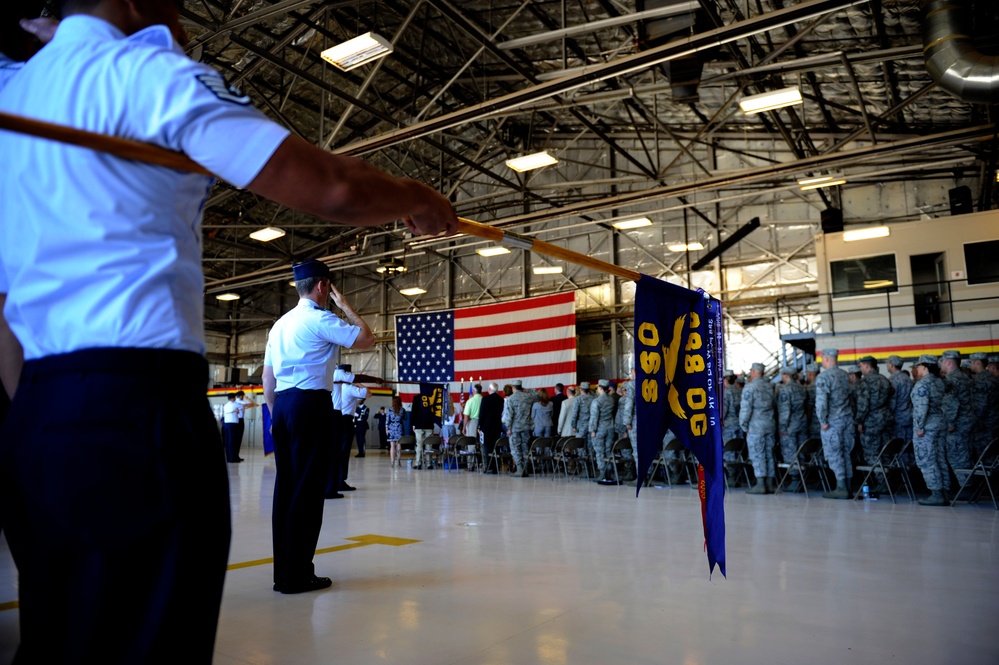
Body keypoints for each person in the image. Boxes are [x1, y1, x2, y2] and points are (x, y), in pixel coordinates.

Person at [0, 0, 457, 655]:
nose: (181, 21)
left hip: (35, 410)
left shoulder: (16, 93)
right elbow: (327, 185)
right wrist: (412, 195)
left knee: (59, 633)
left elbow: (2, 303)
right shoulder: (147, 70)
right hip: (135, 405)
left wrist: (49, 413)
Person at [263, 260, 374, 594]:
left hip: (282, 407)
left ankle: (284, 572)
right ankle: (299, 575)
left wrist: (276, 415)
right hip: (310, 406)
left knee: (286, 491)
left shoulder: (279, 325)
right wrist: (347, 307)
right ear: (324, 286)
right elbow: (367, 339)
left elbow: (268, 378)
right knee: (308, 492)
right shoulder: (320, 318)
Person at [814, 348, 855, 499]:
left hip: (833, 422)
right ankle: (848, 486)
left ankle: (841, 488)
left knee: (835, 454)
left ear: (826, 359)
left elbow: (821, 402)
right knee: (845, 453)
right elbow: (851, 398)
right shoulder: (845, 375)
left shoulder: (823, 377)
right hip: (847, 420)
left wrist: (822, 421)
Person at [910, 355, 949, 506]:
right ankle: (944, 491)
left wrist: (919, 427)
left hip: (927, 427)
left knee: (927, 458)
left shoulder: (922, 385)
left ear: (925, 367)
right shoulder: (940, 383)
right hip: (940, 423)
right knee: (940, 458)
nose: (917, 369)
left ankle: (936, 493)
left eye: (919, 366)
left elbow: (921, 408)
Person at [329, 363, 371, 494]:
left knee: (335, 452)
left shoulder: (332, 384)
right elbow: (369, 393)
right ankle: (340, 480)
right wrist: (358, 382)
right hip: (345, 420)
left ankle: (334, 481)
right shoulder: (349, 388)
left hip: (334, 418)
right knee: (344, 451)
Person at [739, 362, 776, 494]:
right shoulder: (770, 386)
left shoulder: (750, 387)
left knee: (757, 454)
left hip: (756, 426)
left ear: (754, 372)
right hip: (770, 424)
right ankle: (770, 484)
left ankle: (760, 484)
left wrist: (744, 424)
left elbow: (746, 409)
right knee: (769, 454)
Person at [855, 356, 893, 468]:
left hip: (871, 422)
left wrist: (859, 421)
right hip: (886, 419)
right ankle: (889, 480)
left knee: (872, 453)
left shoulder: (865, 382)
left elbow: (863, 404)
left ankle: (880, 481)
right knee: (886, 452)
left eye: (861, 366)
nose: (860, 369)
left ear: (867, 365)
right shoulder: (885, 380)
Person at [940, 349, 974, 473]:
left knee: (957, 457)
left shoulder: (951, 380)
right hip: (969, 420)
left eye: (942, 361)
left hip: (958, 424)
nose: (941, 363)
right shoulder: (965, 377)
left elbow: (951, 404)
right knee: (967, 453)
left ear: (948, 362)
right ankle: (970, 483)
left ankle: (965, 486)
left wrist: (950, 424)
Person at [777, 367, 808, 492]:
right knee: (801, 452)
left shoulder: (785, 390)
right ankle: (802, 479)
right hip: (802, 424)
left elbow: (785, 411)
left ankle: (795, 481)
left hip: (790, 426)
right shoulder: (802, 388)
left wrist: (783, 427)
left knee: (790, 452)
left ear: (785, 376)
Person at [969, 352, 999, 459]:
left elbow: (980, 407)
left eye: (971, 362)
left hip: (984, 426)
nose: (970, 365)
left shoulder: (979, 381)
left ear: (978, 363)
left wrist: (974, 423)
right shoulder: (993, 378)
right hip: (995, 422)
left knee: (986, 457)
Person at [503, 379, 534, 477]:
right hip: (526, 427)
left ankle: (520, 468)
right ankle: (525, 469)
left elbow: (509, 415)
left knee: (515, 448)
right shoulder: (528, 397)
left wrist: (508, 427)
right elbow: (538, 395)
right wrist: (526, 390)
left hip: (515, 428)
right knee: (525, 448)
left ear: (513, 388)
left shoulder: (511, 399)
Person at [589, 379, 616, 482]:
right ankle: (609, 472)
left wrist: (593, 430)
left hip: (600, 429)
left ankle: (602, 473)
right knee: (608, 451)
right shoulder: (611, 400)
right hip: (610, 428)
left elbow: (594, 417)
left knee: (599, 452)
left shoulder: (596, 401)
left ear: (600, 388)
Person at [478, 383, 505, 474]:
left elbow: (481, 414)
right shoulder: (501, 400)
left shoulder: (485, 399)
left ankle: (489, 466)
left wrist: (479, 426)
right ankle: (496, 467)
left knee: (487, 448)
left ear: (490, 389)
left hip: (486, 427)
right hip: (497, 427)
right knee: (496, 447)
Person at [886, 356, 913, 443]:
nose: (886, 365)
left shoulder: (893, 380)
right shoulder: (908, 379)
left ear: (891, 365)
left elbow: (892, 402)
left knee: (899, 446)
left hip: (897, 419)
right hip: (909, 416)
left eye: (887, 363)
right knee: (909, 447)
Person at [234, 389, 259, 460]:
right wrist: (247, 398)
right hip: (240, 421)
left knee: (234, 439)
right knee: (239, 439)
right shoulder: (242, 402)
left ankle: (234, 455)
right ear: (242, 396)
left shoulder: (235, 402)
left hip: (234, 421)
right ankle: (236, 455)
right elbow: (253, 404)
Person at [222, 392, 244, 463]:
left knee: (228, 442)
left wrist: (235, 411)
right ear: (234, 398)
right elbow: (243, 406)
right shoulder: (235, 404)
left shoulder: (225, 405)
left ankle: (229, 458)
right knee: (233, 441)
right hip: (233, 425)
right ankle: (233, 458)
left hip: (226, 424)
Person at [386, 396, 406, 467]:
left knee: (392, 446)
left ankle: (392, 462)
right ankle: (399, 461)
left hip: (391, 428)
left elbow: (387, 420)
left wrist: (386, 429)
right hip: (399, 428)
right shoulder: (402, 410)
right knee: (399, 444)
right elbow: (405, 418)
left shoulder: (390, 410)